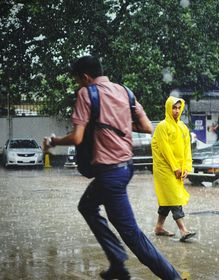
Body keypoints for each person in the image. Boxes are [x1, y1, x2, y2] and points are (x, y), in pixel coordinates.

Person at [44, 56, 182, 280]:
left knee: (132, 234)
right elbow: (147, 127)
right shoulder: (124, 91)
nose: (79, 85)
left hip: (110, 174)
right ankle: (117, 261)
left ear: (86, 77)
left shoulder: (86, 93)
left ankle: (170, 276)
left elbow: (78, 137)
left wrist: (54, 141)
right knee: (88, 206)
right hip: (126, 168)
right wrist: (117, 123)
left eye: (78, 80)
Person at [151, 96, 196, 242]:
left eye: (178, 108)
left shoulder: (183, 127)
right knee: (175, 197)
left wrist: (186, 168)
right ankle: (183, 230)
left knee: (167, 199)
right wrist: (175, 167)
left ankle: (159, 227)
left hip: (177, 169)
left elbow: (186, 149)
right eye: (173, 107)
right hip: (164, 169)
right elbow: (165, 150)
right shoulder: (162, 126)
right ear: (168, 108)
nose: (176, 110)